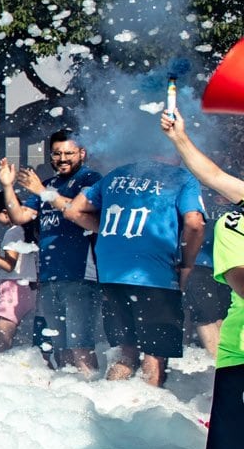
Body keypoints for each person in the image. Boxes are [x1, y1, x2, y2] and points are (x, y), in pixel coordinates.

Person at [58, 145, 205, 385]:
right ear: (178, 152)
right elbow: (195, 223)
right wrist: (187, 264)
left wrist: (107, 230)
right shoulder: (181, 177)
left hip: (111, 274)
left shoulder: (117, 175)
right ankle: (148, 417)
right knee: (154, 354)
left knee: (126, 353)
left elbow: (73, 211)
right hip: (155, 275)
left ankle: (111, 408)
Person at [157, 108, 244, 449]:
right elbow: (241, 281)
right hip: (241, 352)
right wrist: (178, 139)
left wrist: (180, 140)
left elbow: (216, 176)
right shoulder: (234, 221)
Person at [7, 131, 104, 372]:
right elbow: (19, 216)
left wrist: (42, 192)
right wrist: (8, 186)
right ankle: (69, 398)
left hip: (81, 276)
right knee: (60, 349)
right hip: (50, 277)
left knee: (81, 346)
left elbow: (80, 213)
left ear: (82, 153)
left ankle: (92, 399)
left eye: (69, 153)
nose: (62, 158)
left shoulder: (90, 179)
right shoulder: (48, 185)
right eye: (57, 153)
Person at [0, 191, 38, 354]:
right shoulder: (30, 228)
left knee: (0, 343)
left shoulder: (13, 232)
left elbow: (8, 265)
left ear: (5, 213)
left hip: (13, 290)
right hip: (30, 288)